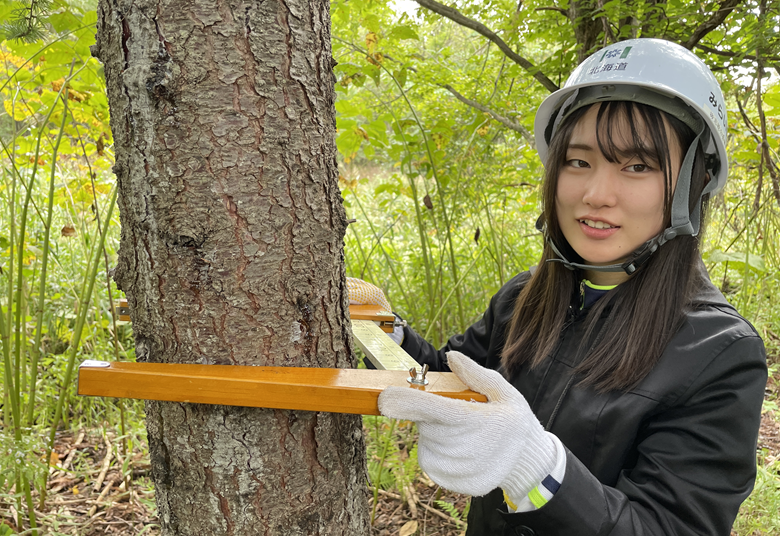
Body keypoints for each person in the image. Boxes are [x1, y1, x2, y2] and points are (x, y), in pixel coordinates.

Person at [350, 38, 767, 536]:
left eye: (638, 166)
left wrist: (536, 468)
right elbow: (452, 381)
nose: (596, 194)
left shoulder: (718, 352)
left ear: (694, 184)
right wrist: (387, 331)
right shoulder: (524, 298)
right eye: (578, 161)